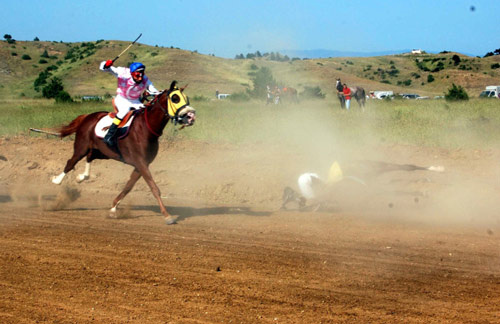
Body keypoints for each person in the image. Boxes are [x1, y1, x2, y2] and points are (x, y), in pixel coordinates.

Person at [99, 60, 160, 148]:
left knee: (146, 112)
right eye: (138, 74)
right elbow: (103, 68)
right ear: (132, 73)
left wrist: (159, 93)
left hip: (135, 101)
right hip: (122, 99)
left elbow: (153, 89)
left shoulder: (145, 79)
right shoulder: (122, 73)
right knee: (124, 111)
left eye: (142, 73)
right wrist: (106, 64)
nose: (140, 77)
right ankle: (109, 136)